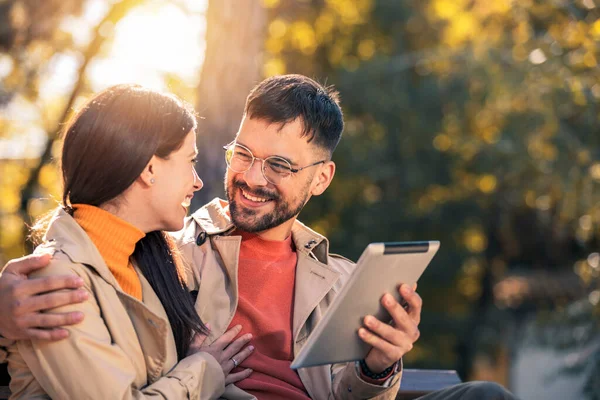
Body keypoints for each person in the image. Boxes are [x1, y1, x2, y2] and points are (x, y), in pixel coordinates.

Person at [0, 75, 516, 400]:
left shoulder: (341, 280)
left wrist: (378, 367)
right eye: (242, 153)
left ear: (321, 178)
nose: (250, 177)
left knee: (486, 396)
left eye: (279, 165)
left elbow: (348, 392)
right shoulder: (170, 248)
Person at [2, 84, 254, 399]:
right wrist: (205, 371)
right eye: (190, 161)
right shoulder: (56, 283)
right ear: (149, 168)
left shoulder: (144, 264)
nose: (197, 182)